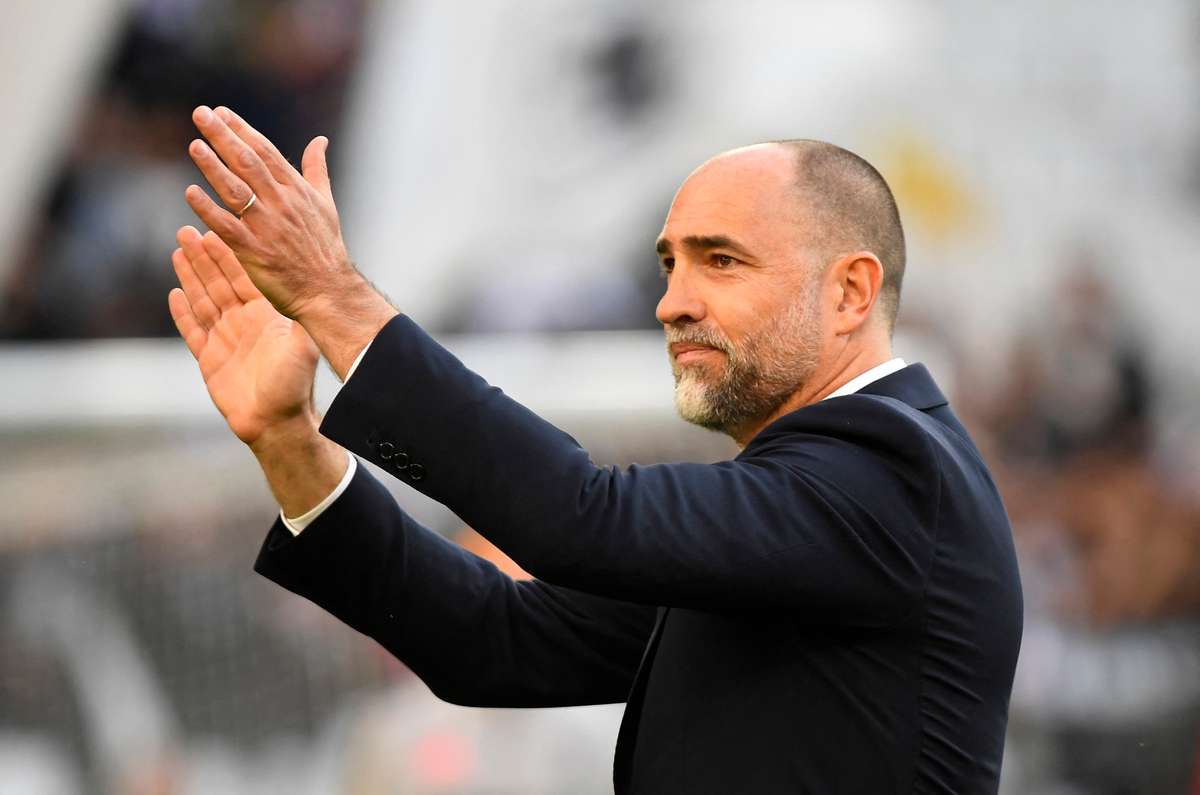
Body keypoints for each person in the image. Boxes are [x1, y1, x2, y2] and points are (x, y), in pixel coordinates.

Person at [168, 104, 1023, 793]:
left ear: (850, 292)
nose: (673, 302)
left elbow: (578, 518)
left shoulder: (896, 469)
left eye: (722, 261)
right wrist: (289, 440)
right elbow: (495, 640)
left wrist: (332, 296)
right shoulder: (806, 514)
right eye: (670, 264)